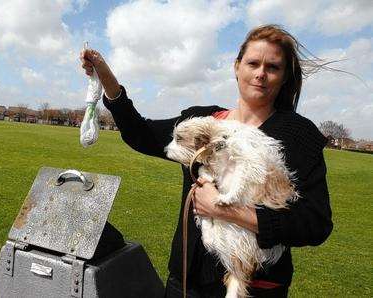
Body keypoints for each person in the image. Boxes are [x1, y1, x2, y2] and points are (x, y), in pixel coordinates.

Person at [80, 24, 332, 297]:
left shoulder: (298, 135)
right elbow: (139, 133)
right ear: (237, 67)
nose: (260, 73)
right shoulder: (202, 122)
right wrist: (105, 76)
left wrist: (227, 211)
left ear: (284, 77)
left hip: (250, 288)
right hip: (184, 285)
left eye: (272, 67)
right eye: (253, 63)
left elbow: (315, 223)